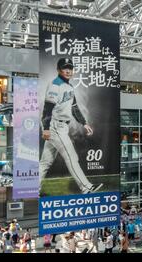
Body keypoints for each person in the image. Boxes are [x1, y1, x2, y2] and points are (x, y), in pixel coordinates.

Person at [39, 58, 102, 194]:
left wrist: (84, 123)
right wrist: (46, 128)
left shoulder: (69, 87)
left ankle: (34, 189)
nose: (68, 71)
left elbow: (74, 108)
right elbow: (48, 108)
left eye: (70, 68)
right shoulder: (55, 85)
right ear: (58, 70)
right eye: (64, 68)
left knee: (46, 161)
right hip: (55, 126)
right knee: (71, 157)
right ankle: (86, 187)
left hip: (61, 126)